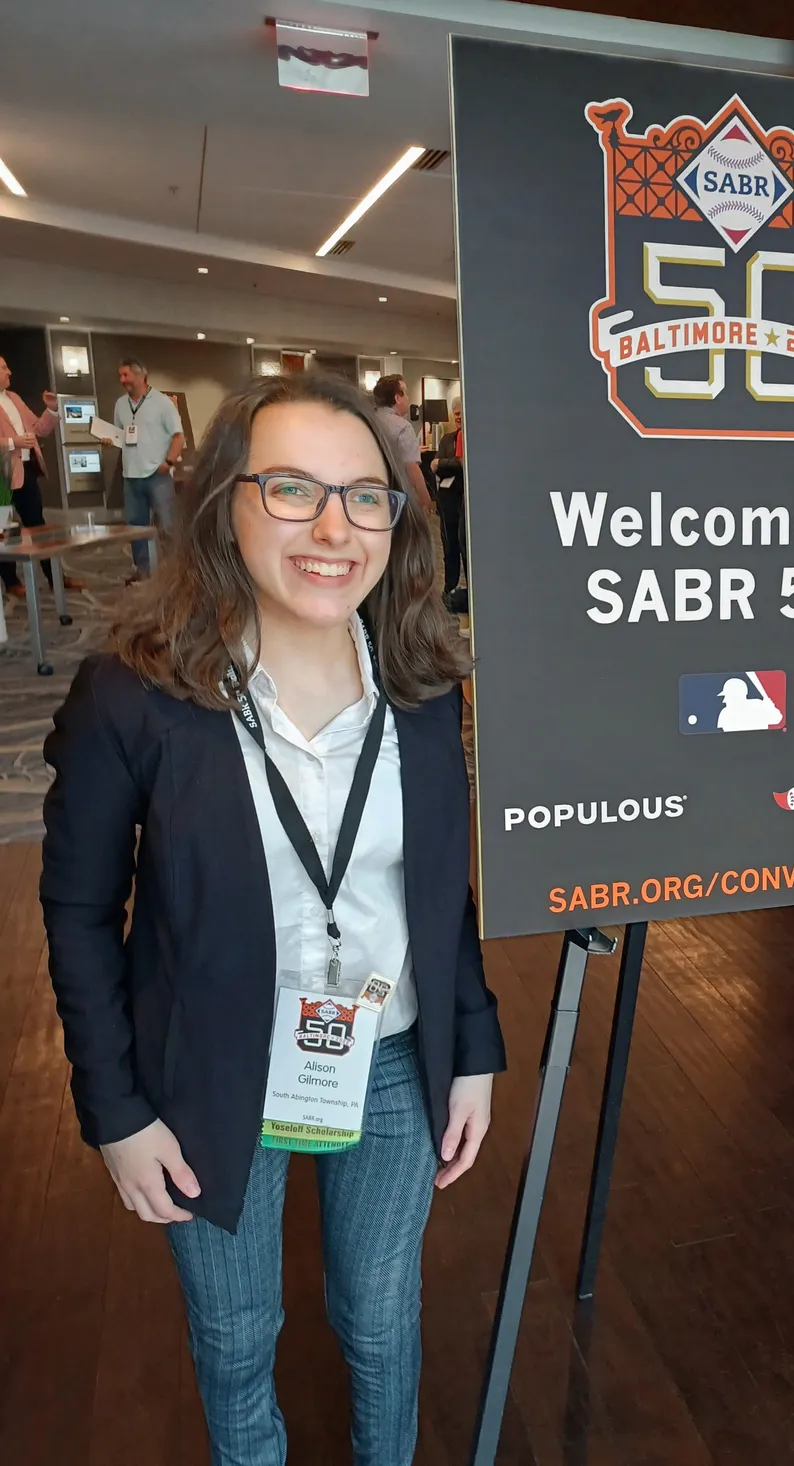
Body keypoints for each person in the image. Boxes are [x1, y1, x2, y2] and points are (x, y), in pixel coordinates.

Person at [41, 370, 505, 1466]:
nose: (333, 528)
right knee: (237, 1334)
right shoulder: (134, 692)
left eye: (365, 495)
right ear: (223, 503)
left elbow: (440, 889)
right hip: (205, 1066)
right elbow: (76, 907)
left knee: (381, 1321)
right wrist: (115, 1109)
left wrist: (473, 1043)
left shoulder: (425, 681)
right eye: (292, 489)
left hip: (391, 1056)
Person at [0, 357, 82, 596]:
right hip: (1, 476)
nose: (10, 371)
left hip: (26, 472)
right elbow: (16, 439)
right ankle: (12, 582)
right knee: (3, 530)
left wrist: (51, 409)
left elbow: (38, 430)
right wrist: (12, 442)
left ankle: (56, 578)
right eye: (4, 368)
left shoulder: (14, 398)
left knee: (39, 528)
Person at [97, 357, 185, 580]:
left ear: (141, 376)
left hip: (158, 476)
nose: (122, 380)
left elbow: (178, 437)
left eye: (125, 375)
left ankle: (172, 572)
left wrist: (169, 463)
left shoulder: (162, 402)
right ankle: (143, 570)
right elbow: (121, 435)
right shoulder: (120, 404)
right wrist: (109, 440)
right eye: (120, 376)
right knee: (135, 527)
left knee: (167, 526)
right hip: (131, 476)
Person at [372, 374, 430, 512]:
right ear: (397, 398)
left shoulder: (365, 420)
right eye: (406, 394)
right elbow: (411, 467)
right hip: (395, 496)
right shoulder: (403, 427)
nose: (408, 399)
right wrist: (425, 498)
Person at [432, 395, 466, 610]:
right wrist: (446, 464)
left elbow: (463, 465)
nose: (458, 418)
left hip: (466, 500)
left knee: (467, 548)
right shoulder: (447, 439)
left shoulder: (472, 438)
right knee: (449, 546)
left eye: (461, 413)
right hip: (448, 501)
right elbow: (434, 466)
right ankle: (449, 588)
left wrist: (444, 463)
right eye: (455, 414)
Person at [716, 675, 784, 732]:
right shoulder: (725, 713)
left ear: (738, 695)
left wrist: (770, 707)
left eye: (728, 696)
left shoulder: (758, 705)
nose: (724, 701)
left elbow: (777, 720)